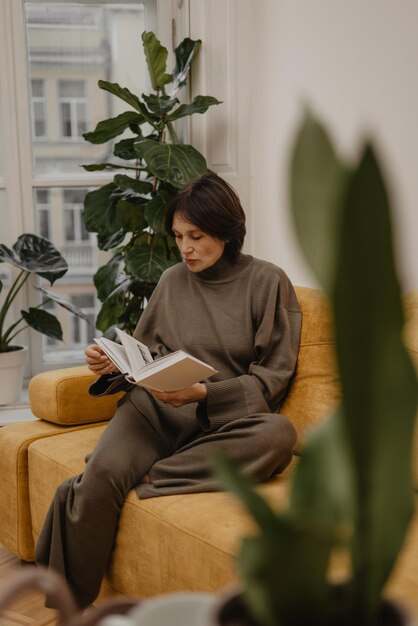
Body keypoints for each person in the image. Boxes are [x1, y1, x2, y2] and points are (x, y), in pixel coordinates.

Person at [35, 172, 302, 610]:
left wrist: (203, 395)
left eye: (196, 236)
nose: (186, 248)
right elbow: (144, 358)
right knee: (99, 481)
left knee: (279, 435)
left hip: (221, 425)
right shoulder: (172, 281)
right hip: (152, 413)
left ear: (227, 231)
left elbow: (272, 380)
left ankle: (145, 475)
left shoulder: (268, 282)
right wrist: (113, 365)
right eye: (179, 236)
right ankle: (69, 611)